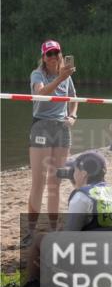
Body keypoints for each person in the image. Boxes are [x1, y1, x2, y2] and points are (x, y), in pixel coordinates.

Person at [5, 151, 112, 287]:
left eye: (74, 170)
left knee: (40, 240)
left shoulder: (81, 196)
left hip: (94, 264)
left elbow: (68, 240)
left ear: (83, 173)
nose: (72, 173)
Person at [23, 40, 78, 249]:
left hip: (62, 128)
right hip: (42, 127)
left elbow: (74, 98)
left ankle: (54, 229)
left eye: (56, 53)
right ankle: (31, 231)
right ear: (44, 57)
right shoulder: (37, 74)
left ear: (61, 55)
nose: (54, 57)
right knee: (39, 181)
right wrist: (60, 78)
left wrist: (72, 116)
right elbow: (39, 94)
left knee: (56, 182)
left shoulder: (66, 75)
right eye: (49, 54)